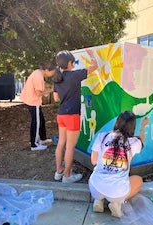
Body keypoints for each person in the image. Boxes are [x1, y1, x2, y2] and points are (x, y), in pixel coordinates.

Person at [88, 111, 149, 218]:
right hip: (117, 192)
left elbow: (93, 161)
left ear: (117, 122)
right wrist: (143, 127)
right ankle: (117, 203)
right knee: (138, 180)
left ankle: (98, 200)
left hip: (95, 187)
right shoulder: (133, 142)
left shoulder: (102, 136)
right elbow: (142, 141)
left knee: (99, 181)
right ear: (132, 127)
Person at [53, 49, 98, 184]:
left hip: (61, 114)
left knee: (61, 143)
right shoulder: (74, 75)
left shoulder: (57, 78)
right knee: (70, 146)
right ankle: (67, 175)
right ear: (70, 63)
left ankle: (59, 171)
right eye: (73, 62)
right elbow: (94, 67)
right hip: (72, 115)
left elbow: (56, 98)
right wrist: (91, 54)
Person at [20, 62, 56, 151]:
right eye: (53, 72)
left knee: (41, 120)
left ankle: (43, 139)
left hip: (32, 100)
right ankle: (34, 145)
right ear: (47, 70)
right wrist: (51, 90)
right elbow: (39, 93)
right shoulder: (38, 76)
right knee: (36, 122)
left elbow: (42, 85)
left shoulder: (38, 72)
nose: (53, 74)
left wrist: (49, 87)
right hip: (33, 101)